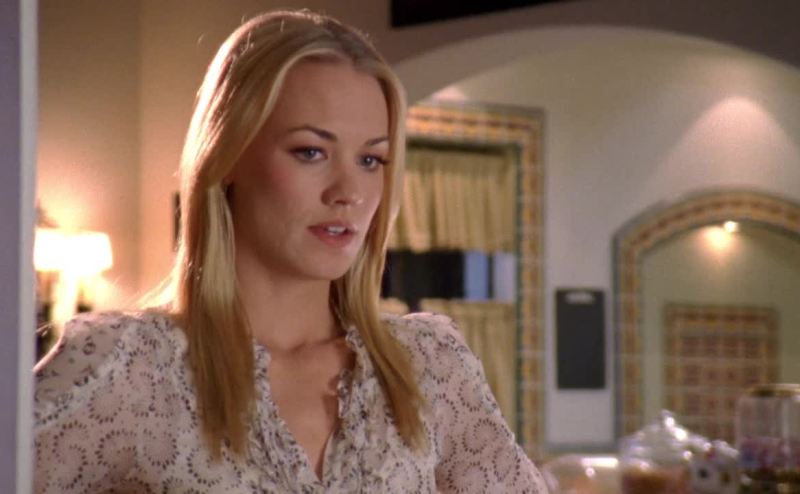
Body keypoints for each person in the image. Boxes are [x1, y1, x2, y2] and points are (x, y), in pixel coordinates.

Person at [32, 10, 547, 493]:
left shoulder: (428, 366)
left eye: (371, 159)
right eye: (311, 152)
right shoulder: (127, 367)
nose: (349, 191)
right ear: (227, 155)